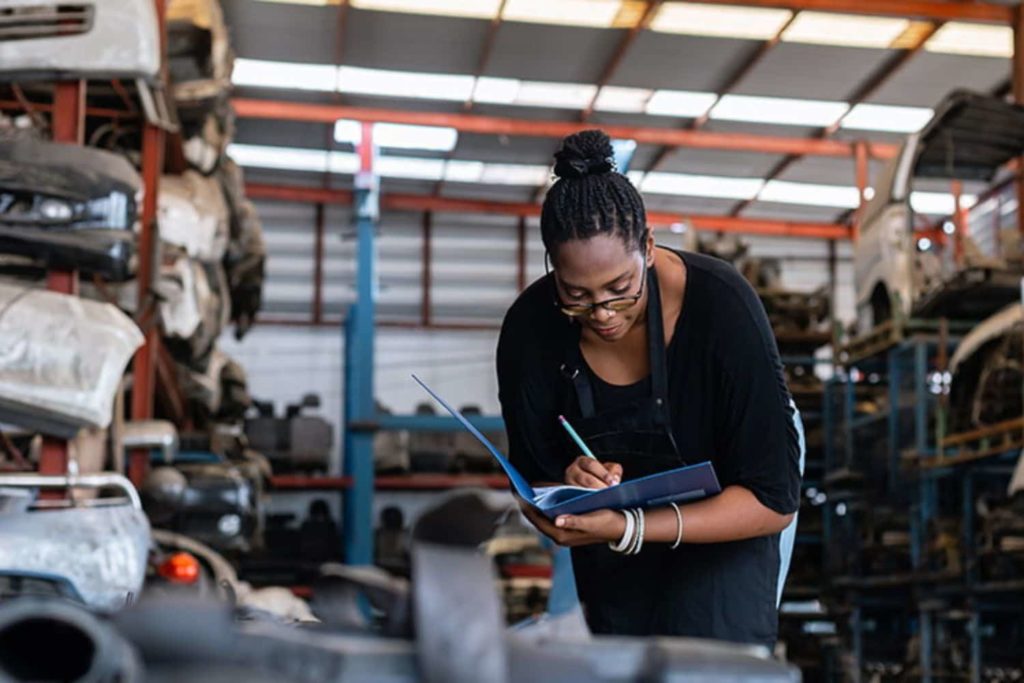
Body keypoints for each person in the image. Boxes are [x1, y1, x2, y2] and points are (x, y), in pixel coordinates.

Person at [496, 129, 803, 649]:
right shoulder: (530, 330)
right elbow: (532, 483)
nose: (604, 315)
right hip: (610, 529)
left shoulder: (721, 306)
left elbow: (773, 499)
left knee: (712, 648)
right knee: (616, 647)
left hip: (733, 506)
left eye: (621, 290)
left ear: (649, 246)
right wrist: (566, 486)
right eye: (577, 296)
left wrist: (631, 526)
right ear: (551, 267)